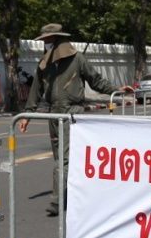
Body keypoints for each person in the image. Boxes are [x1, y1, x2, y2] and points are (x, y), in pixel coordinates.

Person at [17, 23, 128, 217]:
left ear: (58, 40)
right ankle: (76, 192)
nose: (45, 44)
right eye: (44, 41)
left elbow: (96, 81)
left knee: (65, 158)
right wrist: (27, 115)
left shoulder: (77, 59)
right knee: (62, 157)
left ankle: (57, 200)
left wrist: (116, 90)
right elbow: (36, 90)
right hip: (53, 114)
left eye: (48, 41)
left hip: (72, 113)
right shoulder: (44, 63)